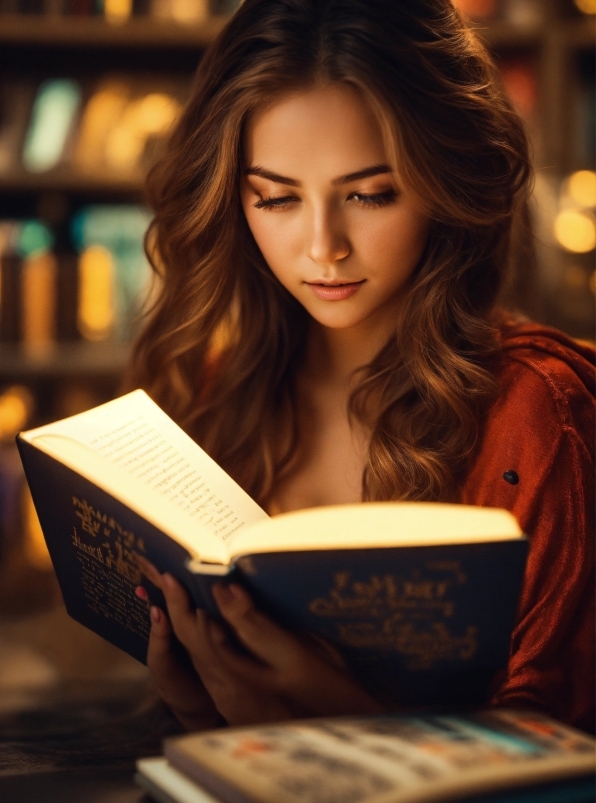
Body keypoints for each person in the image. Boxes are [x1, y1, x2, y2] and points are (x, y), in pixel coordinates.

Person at [127, 0, 595, 733]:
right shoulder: (224, 391)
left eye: (370, 194)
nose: (323, 246)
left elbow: (564, 757)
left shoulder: (536, 413)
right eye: (276, 198)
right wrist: (198, 702)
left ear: (446, 183)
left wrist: (342, 711)